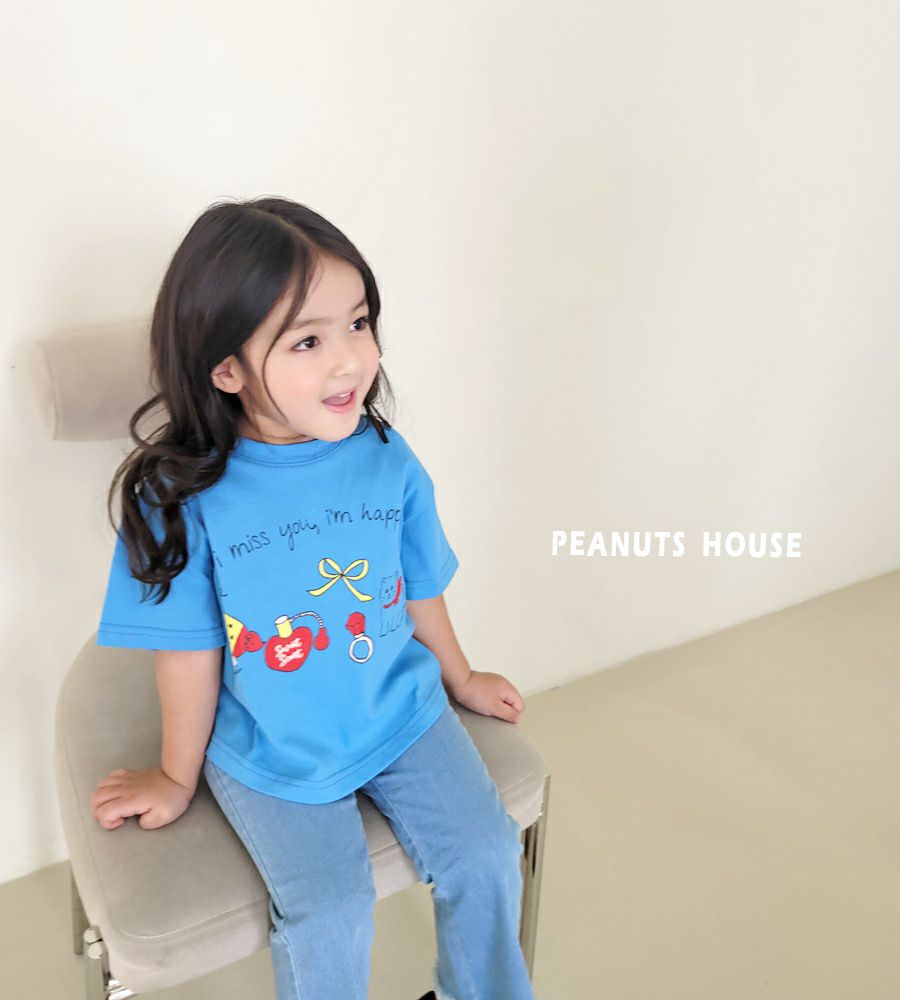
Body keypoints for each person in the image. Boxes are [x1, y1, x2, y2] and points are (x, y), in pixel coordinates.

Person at [88, 196, 536, 1000]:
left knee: (486, 852)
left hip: (399, 709)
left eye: (358, 323)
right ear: (225, 368)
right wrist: (176, 776)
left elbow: (416, 585)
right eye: (307, 340)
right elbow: (188, 653)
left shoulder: (386, 457)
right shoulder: (179, 498)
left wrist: (460, 677)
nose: (350, 361)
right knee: (330, 915)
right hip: (273, 746)